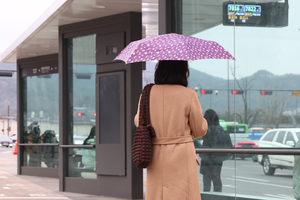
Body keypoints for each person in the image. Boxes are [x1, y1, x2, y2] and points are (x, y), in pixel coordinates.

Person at [134, 60, 208, 200]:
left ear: (159, 70)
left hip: (155, 156)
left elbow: (139, 122)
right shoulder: (189, 94)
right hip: (182, 156)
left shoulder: (147, 94)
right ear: (183, 71)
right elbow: (199, 130)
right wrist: (203, 121)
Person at [200, 109, 232, 192]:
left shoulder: (207, 130)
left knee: (207, 180)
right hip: (218, 159)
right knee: (217, 178)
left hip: (207, 159)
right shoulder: (220, 129)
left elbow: (205, 146)